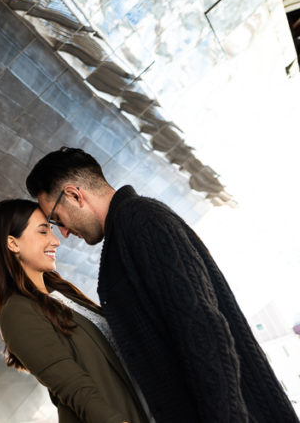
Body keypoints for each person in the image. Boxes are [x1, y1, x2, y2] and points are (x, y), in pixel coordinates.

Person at [25, 147, 298, 423]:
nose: (64, 232)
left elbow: (203, 328)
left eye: (58, 219)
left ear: (74, 194)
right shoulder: (128, 231)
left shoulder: (142, 223)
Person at [0, 199, 149, 423]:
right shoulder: (16, 313)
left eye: (52, 231)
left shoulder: (62, 294)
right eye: (43, 231)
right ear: (13, 244)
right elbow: (74, 388)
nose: (55, 241)